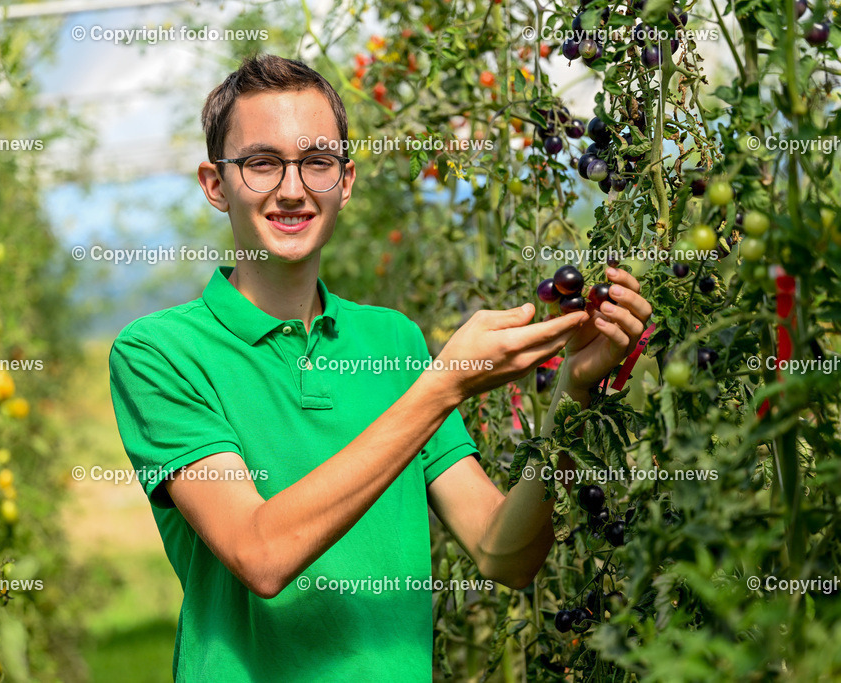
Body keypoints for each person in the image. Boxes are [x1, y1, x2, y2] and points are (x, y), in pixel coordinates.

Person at [109, 53, 653, 681]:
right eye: (262, 163)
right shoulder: (159, 353)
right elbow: (260, 553)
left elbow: (504, 554)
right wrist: (442, 386)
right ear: (215, 183)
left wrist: (573, 391)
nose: (292, 189)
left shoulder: (392, 341)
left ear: (345, 180)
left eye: (316, 162)